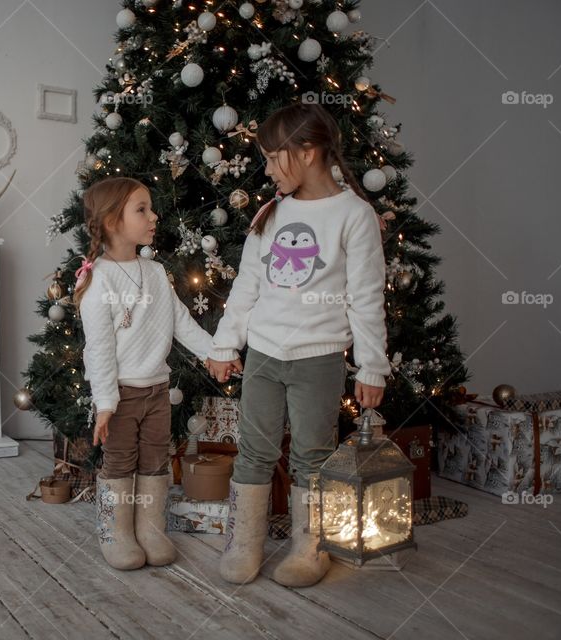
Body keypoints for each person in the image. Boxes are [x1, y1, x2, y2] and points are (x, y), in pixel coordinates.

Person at [207, 103, 390, 587]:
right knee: (254, 451)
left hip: (319, 358)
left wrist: (373, 366)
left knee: (312, 453)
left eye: (272, 157)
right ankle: (244, 544)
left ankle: (309, 550)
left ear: (307, 153)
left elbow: (367, 297)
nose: (266, 169)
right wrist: (227, 344)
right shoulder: (271, 213)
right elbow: (246, 285)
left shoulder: (354, 215)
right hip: (264, 355)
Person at [75, 177, 213, 570]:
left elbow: (181, 323)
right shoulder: (97, 279)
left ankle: (151, 530)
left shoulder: (154, 272)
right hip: (120, 394)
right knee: (120, 462)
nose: (154, 216)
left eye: (151, 208)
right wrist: (104, 403)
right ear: (112, 221)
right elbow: (99, 349)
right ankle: (115, 533)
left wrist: (214, 353)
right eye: (142, 209)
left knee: (154, 460)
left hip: (157, 390)